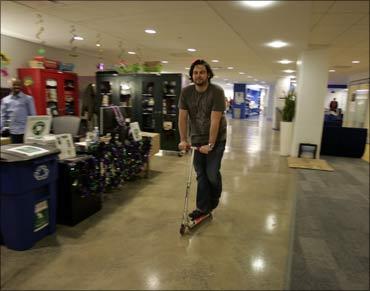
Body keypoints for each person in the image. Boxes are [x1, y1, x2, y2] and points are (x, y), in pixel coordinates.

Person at [178, 59, 227, 221]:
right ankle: (202, 208)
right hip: (197, 139)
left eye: (202, 72)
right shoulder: (186, 93)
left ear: (208, 74)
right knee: (201, 175)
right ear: (192, 75)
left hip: (216, 139)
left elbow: (215, 120)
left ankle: (214, 197)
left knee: (211, 174)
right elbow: (182, 117)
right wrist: (183, 139)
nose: (198, 75)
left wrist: (211, 144)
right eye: (195, 72)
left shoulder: (217, 92)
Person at [1, 78, 36, 143]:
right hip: (12, 132)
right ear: (10, 86)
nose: (17, 86)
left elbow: (33, 116)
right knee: (15, 151)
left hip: (26, 132)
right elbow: (2, 117)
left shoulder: (28, 99)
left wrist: (34, 132)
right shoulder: (5, 100)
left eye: (19, 85)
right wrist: (1, 129)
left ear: (21, 86)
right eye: (14, 84)